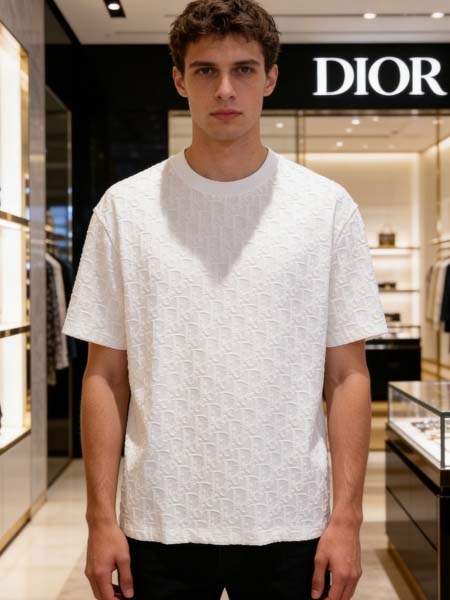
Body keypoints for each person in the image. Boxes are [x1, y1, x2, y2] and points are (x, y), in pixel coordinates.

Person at [62, 1, 388, 599]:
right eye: (206, 70)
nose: (225, 89)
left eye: (244, 69)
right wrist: (99, 518)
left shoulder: (325, 208)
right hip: (158, 520)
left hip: (291, 518)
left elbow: (347, 375)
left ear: (270, 78)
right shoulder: (124, 210)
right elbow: (105, 375)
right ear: (179, 79)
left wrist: (348, 518)